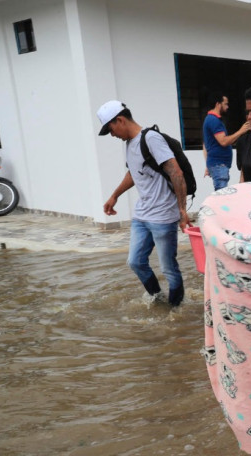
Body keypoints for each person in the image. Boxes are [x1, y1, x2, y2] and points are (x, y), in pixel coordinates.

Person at [97, 100, 189, 306]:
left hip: (163, 216)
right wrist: (115, 195)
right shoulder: (129, 144)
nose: (112, 135)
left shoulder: (152, 139)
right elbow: (133, 172)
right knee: (135, 262)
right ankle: (158, 298)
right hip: (142, 214)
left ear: (120, 120)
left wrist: (182, 210)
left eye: (110, 129)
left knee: (168, 268)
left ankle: (175, 311)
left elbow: (176, 172)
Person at [202, 92, 251, 190]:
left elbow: (205, 144)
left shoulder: (211, 119)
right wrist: (241, 131)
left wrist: (208, 164)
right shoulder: (214, 120)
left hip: (218, 164)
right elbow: (224, 141)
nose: (227, 106)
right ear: (218, 104)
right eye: (225, 104)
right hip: (219, 165)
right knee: (221, 194)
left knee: (221, 193)